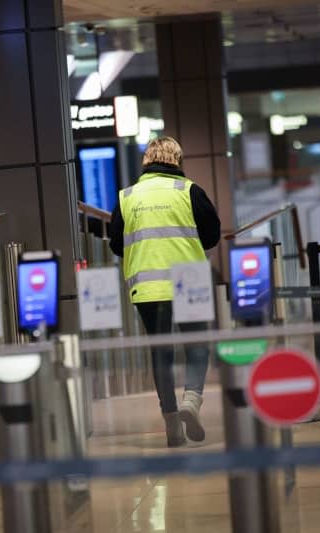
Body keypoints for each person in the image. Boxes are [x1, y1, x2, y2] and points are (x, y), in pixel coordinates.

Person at [109, 136, 221, 447]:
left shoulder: (127, 196)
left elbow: (116, 244)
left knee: (162, 352)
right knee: (197, 345)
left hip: (147, 286)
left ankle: (171, 420)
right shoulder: (189, 191)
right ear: (177, 160)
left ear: (146, 160)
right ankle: (191, 401)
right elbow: (212, 235)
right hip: (190, 282)